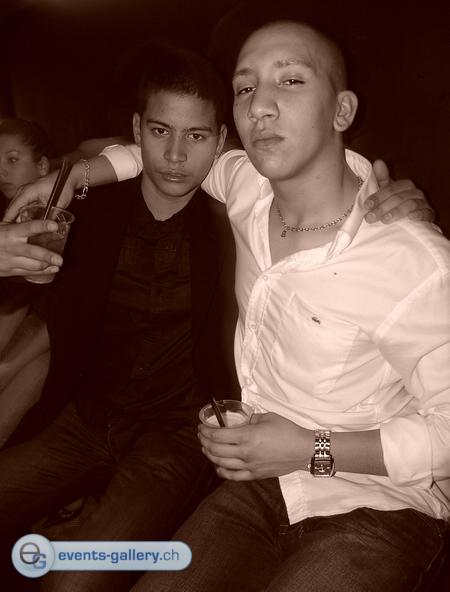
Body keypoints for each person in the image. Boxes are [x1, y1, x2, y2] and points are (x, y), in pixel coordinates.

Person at [124, 18, 448, 592]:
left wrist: (308, 451)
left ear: (341, 110)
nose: (259, 106)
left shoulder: (412, 262)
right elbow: (173, 155)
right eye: (245, 87)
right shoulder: (247, 188)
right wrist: (73, 174)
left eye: (290, 80)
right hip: (261, 486)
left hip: (381, 505)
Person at [0, 45, 238, 592]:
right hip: (84, 417)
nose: (175, 155)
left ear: (221, 140)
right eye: (160, 131)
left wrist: (391, 197)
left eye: (196, 136)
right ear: (136, 130)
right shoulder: (88, 210)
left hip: (177, 436)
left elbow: (320, 193)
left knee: (74, 580)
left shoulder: (239, 223)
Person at [0, 119, 53, 446]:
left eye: (12, 159)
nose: (1, 170)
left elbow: (71, 310)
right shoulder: (6, 213)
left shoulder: (63, 218)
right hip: (25, 310)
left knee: (34, 368)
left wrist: (9, 365)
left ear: (42, 166)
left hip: (58, 329)